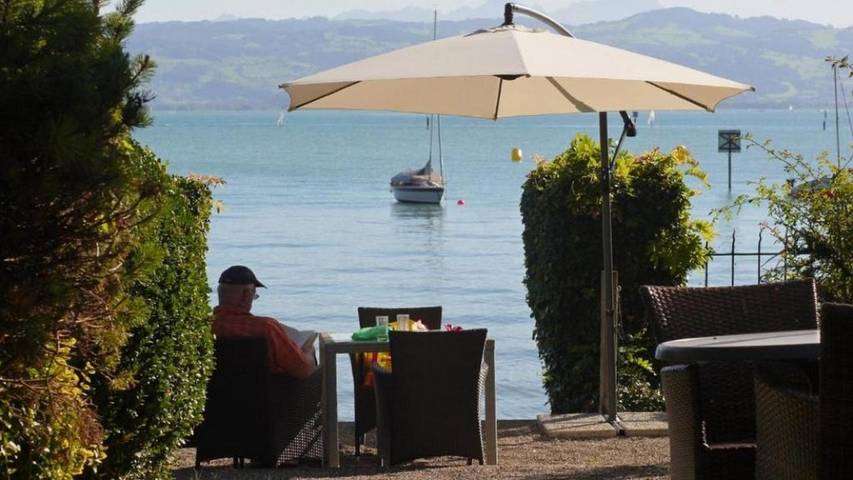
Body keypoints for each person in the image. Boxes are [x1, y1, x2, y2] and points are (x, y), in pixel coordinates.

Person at [212, 265, 317, 379]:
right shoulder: (266, 328)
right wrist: (308, 350)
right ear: (246, 296)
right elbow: (302, 369)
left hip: (215, 395)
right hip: (266, 395)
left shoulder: (203, 327)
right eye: (254, 295)